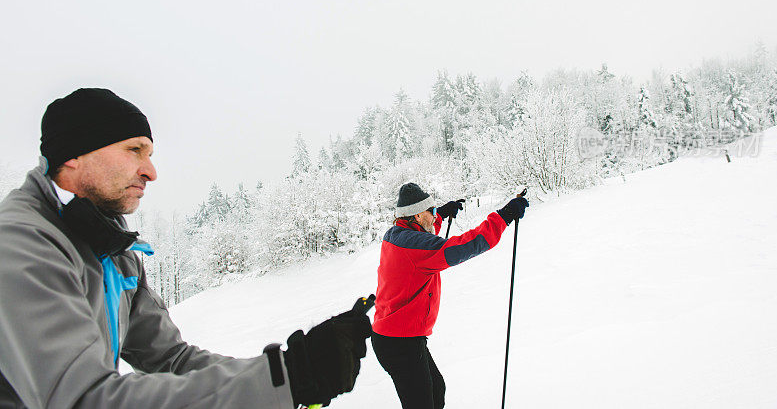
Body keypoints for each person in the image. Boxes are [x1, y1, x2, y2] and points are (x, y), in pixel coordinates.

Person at [0, 88, 371, 409]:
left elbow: (173, 359)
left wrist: (293, 368)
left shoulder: (112, 245)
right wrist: (288, 380)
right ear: (73, 155)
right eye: (135, 150)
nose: (151, 171)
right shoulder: (21, 245)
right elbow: (81, 399)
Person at [371, 182, 528, 409]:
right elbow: (465, 246)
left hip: (400, 337)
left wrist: (441, 214)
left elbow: (422, 230)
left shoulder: (397, 234)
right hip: (399, 343)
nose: (434, 216)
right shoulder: (415, 247)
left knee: (436, 391)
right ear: (416, 215)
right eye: (431, 211)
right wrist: (503, 217)